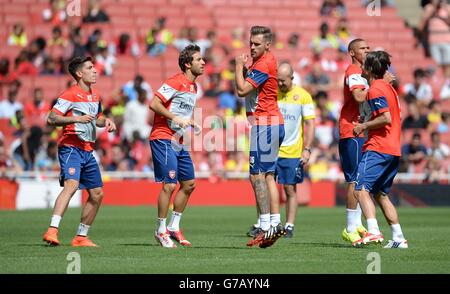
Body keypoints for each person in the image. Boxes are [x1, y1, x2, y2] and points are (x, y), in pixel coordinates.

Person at [42, 56, 117, 247]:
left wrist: (105, 121)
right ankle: (52, 230)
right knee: (72, 185)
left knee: (97, 194)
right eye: (90, 68)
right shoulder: (70, 94)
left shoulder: (95, 95)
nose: (95, 71)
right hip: (71, 147)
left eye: (94, 67)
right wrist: (76, 119)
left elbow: (96, 119)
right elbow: (51, 118)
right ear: (79, 73)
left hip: (87, 149)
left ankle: (81, 237)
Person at [235, 26, 285, 248]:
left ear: (267, 45)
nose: (252, 47)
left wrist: (238, 67)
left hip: (266, 124)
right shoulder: (263, 62)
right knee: (266, 176)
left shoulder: (264, 63)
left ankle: (265, 226)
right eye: (251, 43)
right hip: (270, 123)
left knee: (257, 176)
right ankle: (273, 223)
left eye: (257, 44)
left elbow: (242, 90)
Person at [149, 44, 204, 248]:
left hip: (178, 141)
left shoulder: (194, 87)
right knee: (170, 185)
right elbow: (154, 104)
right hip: (162, 137)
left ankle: (174, 226)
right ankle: (160, 230)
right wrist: (175, 118)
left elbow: (181, 112)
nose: (203, 62)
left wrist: (189, 121)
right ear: (188, 64)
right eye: (199, 59)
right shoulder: (175, 81)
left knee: (189, 184)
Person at [352, 51, 408, 249]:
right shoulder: (388, 88)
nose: (360, 68)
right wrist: (367, 120)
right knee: (381, 194)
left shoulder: (376, 89)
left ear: (368, 69)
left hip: (378, 147)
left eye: (363, 65)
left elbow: (386, 118)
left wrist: (363, 126)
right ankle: (399, 237)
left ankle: (374, 231)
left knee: (360, 190)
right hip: (393, 149)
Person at [276, 62, 315, 238]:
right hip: (271, 151)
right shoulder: (272, 93)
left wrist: (307, 149)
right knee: (264, 186)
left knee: (290, 190)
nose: (280, 84)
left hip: (292, 152)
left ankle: (289, 226)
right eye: (278, 80)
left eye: (283, 81)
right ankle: (265, 223)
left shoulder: (303, 96)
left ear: (292, 78)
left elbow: (310, 123)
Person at [338, 38, 370, 244]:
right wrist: (380, 87)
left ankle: (357, 223)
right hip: (352, 131)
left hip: (361, 131)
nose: (367, 51)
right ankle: (349, 227)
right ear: (352, 52)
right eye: (362, 48)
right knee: (354, 180)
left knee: (361, 179)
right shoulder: (352, 71)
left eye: (368, 48)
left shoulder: (364, 74)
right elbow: (358, 97)